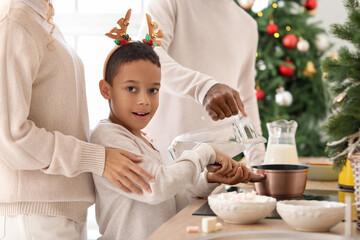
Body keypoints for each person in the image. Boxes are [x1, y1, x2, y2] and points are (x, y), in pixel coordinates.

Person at [0, 1, 154, 239]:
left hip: (63, 211)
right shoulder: (14, 22)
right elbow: (11, 138)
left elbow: (59, 115)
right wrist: (97, 158)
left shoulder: (41, 18)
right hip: (35, 216)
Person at [91, 13, 253, 239]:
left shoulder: (142, 140)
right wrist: (204, 153)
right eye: (131, 88)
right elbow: (156, 188)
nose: (144, 100)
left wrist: (207, 180)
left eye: (153, 90)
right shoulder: (108, 137)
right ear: (106, 89)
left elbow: (171, 200)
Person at [137, 0, 266, 167]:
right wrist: (203, 87)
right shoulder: (171, 2)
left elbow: (245, 98)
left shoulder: (248, 25)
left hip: (212, 172)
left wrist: (258, 162)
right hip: (158, 162)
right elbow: (146, 56)